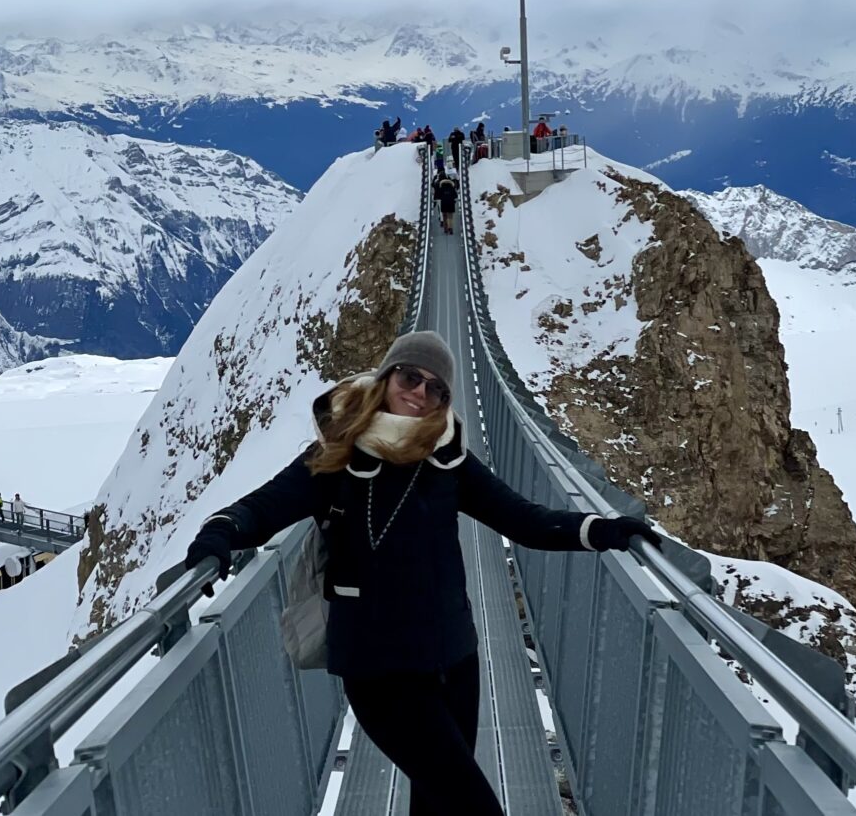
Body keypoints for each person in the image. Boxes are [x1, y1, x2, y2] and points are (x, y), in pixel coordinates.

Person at [185, 331, 660, 816]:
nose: (420, 393)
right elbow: (263, 508)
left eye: (436, 389)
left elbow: (522, 519)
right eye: (411, 377)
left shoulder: (447, 457)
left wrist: (599, 529)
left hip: (454, 660)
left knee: (435, 805)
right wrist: (221, 533)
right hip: (379, 672)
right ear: (386, 376)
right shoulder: (338, 455)